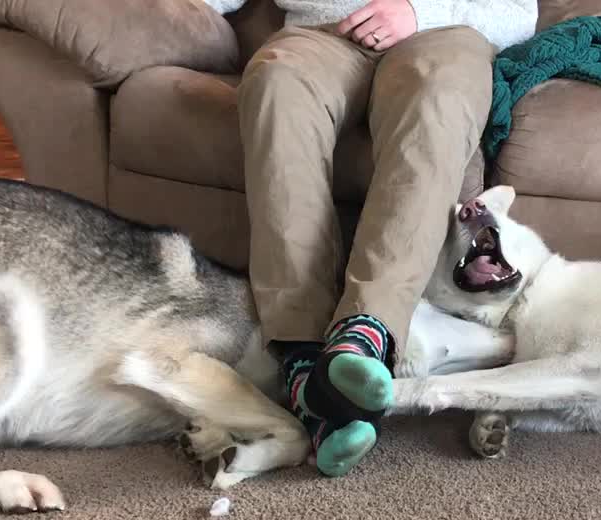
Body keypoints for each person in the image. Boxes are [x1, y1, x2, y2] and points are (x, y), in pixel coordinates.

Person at [205, 0, 539, 476]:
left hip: (442, 31)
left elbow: (519, 11)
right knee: (275, 84)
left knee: (438, 97)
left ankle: (363, 339)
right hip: (321, 34)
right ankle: (306, 366)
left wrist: (416, 13)